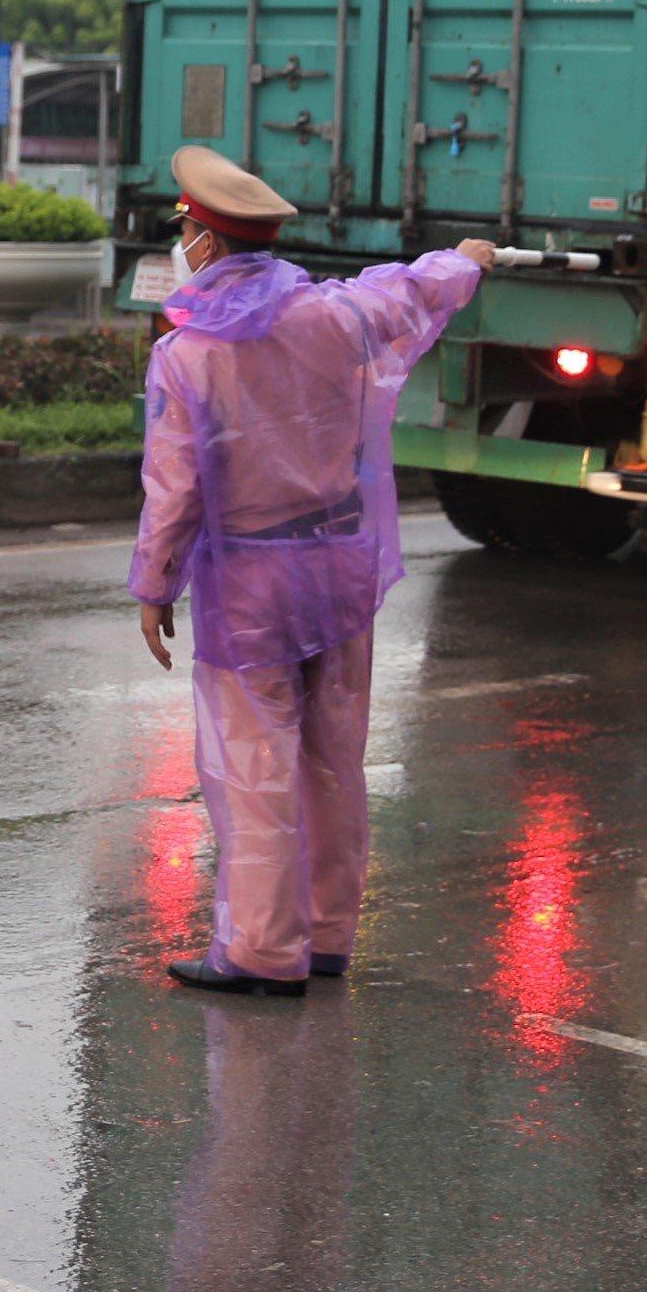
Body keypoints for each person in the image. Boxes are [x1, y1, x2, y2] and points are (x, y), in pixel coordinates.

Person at [132, 145, 494, 996]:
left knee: (254, 769)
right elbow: (413, 288)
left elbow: (175, 489)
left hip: (250, 581)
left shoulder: (189, 353)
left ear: (206, 241)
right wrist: (467, 260)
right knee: (334, 760)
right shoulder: (335, 316)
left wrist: (154, 586)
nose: (183, 245)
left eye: (186, 232)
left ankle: (262, 950)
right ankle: (328, 937)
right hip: (339, 568)